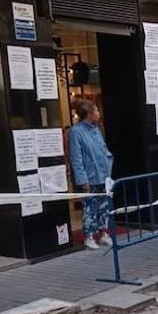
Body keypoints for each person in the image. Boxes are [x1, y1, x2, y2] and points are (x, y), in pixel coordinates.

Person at [68, 97, 114, 250]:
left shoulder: (96, 129)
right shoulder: (76, 132)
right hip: (90, 175)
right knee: (90, 207)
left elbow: (103, 149)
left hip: (103, 173)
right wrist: (82, 179)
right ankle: (89, 235)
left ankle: (104, 233)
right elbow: (76, 157)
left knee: (104, 205)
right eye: (96, 110)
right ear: (89, 113)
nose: (99, 113)